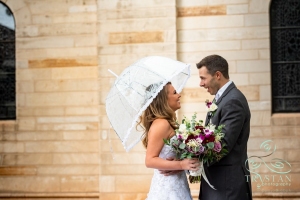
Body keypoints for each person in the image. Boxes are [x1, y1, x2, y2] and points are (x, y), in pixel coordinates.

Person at [196, 55, 252, 200]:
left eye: (203, 78)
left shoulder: (233, 101)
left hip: (227, 187)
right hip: (218, 184)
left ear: (218, 75)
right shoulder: (223, 98)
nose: (201, 84)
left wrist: (194, 160)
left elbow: (223, 144)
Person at [138, 82, 200, 200]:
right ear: (163, 100)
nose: (179, 95)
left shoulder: (167, 122)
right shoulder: (161, 124)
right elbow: (150, 160)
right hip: (167, 190)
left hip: (177, 184)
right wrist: (181, 164)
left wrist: (181, 163)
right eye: (175, 92)